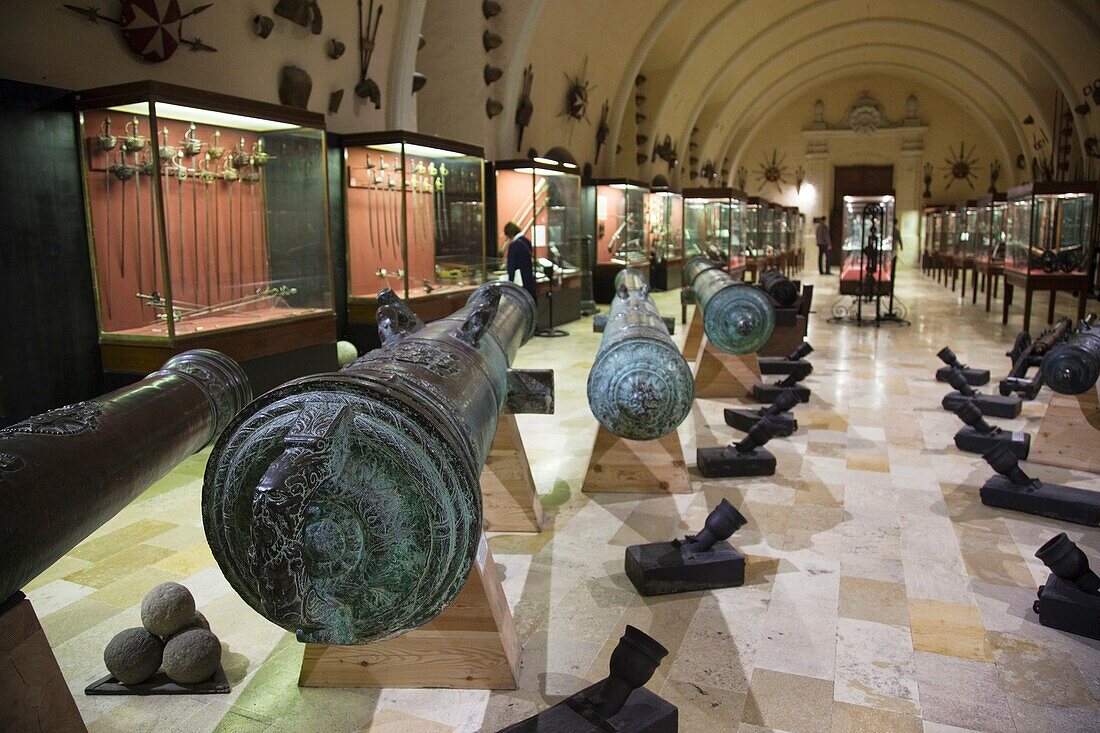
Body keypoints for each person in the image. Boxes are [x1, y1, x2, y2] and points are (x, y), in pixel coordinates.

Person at [502, 221, 536, 299]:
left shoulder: (514, 246)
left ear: (510, 234)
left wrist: (510, 284)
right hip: (529, 280)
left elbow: (511, 267)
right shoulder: (527, 242)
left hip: (519, 283)